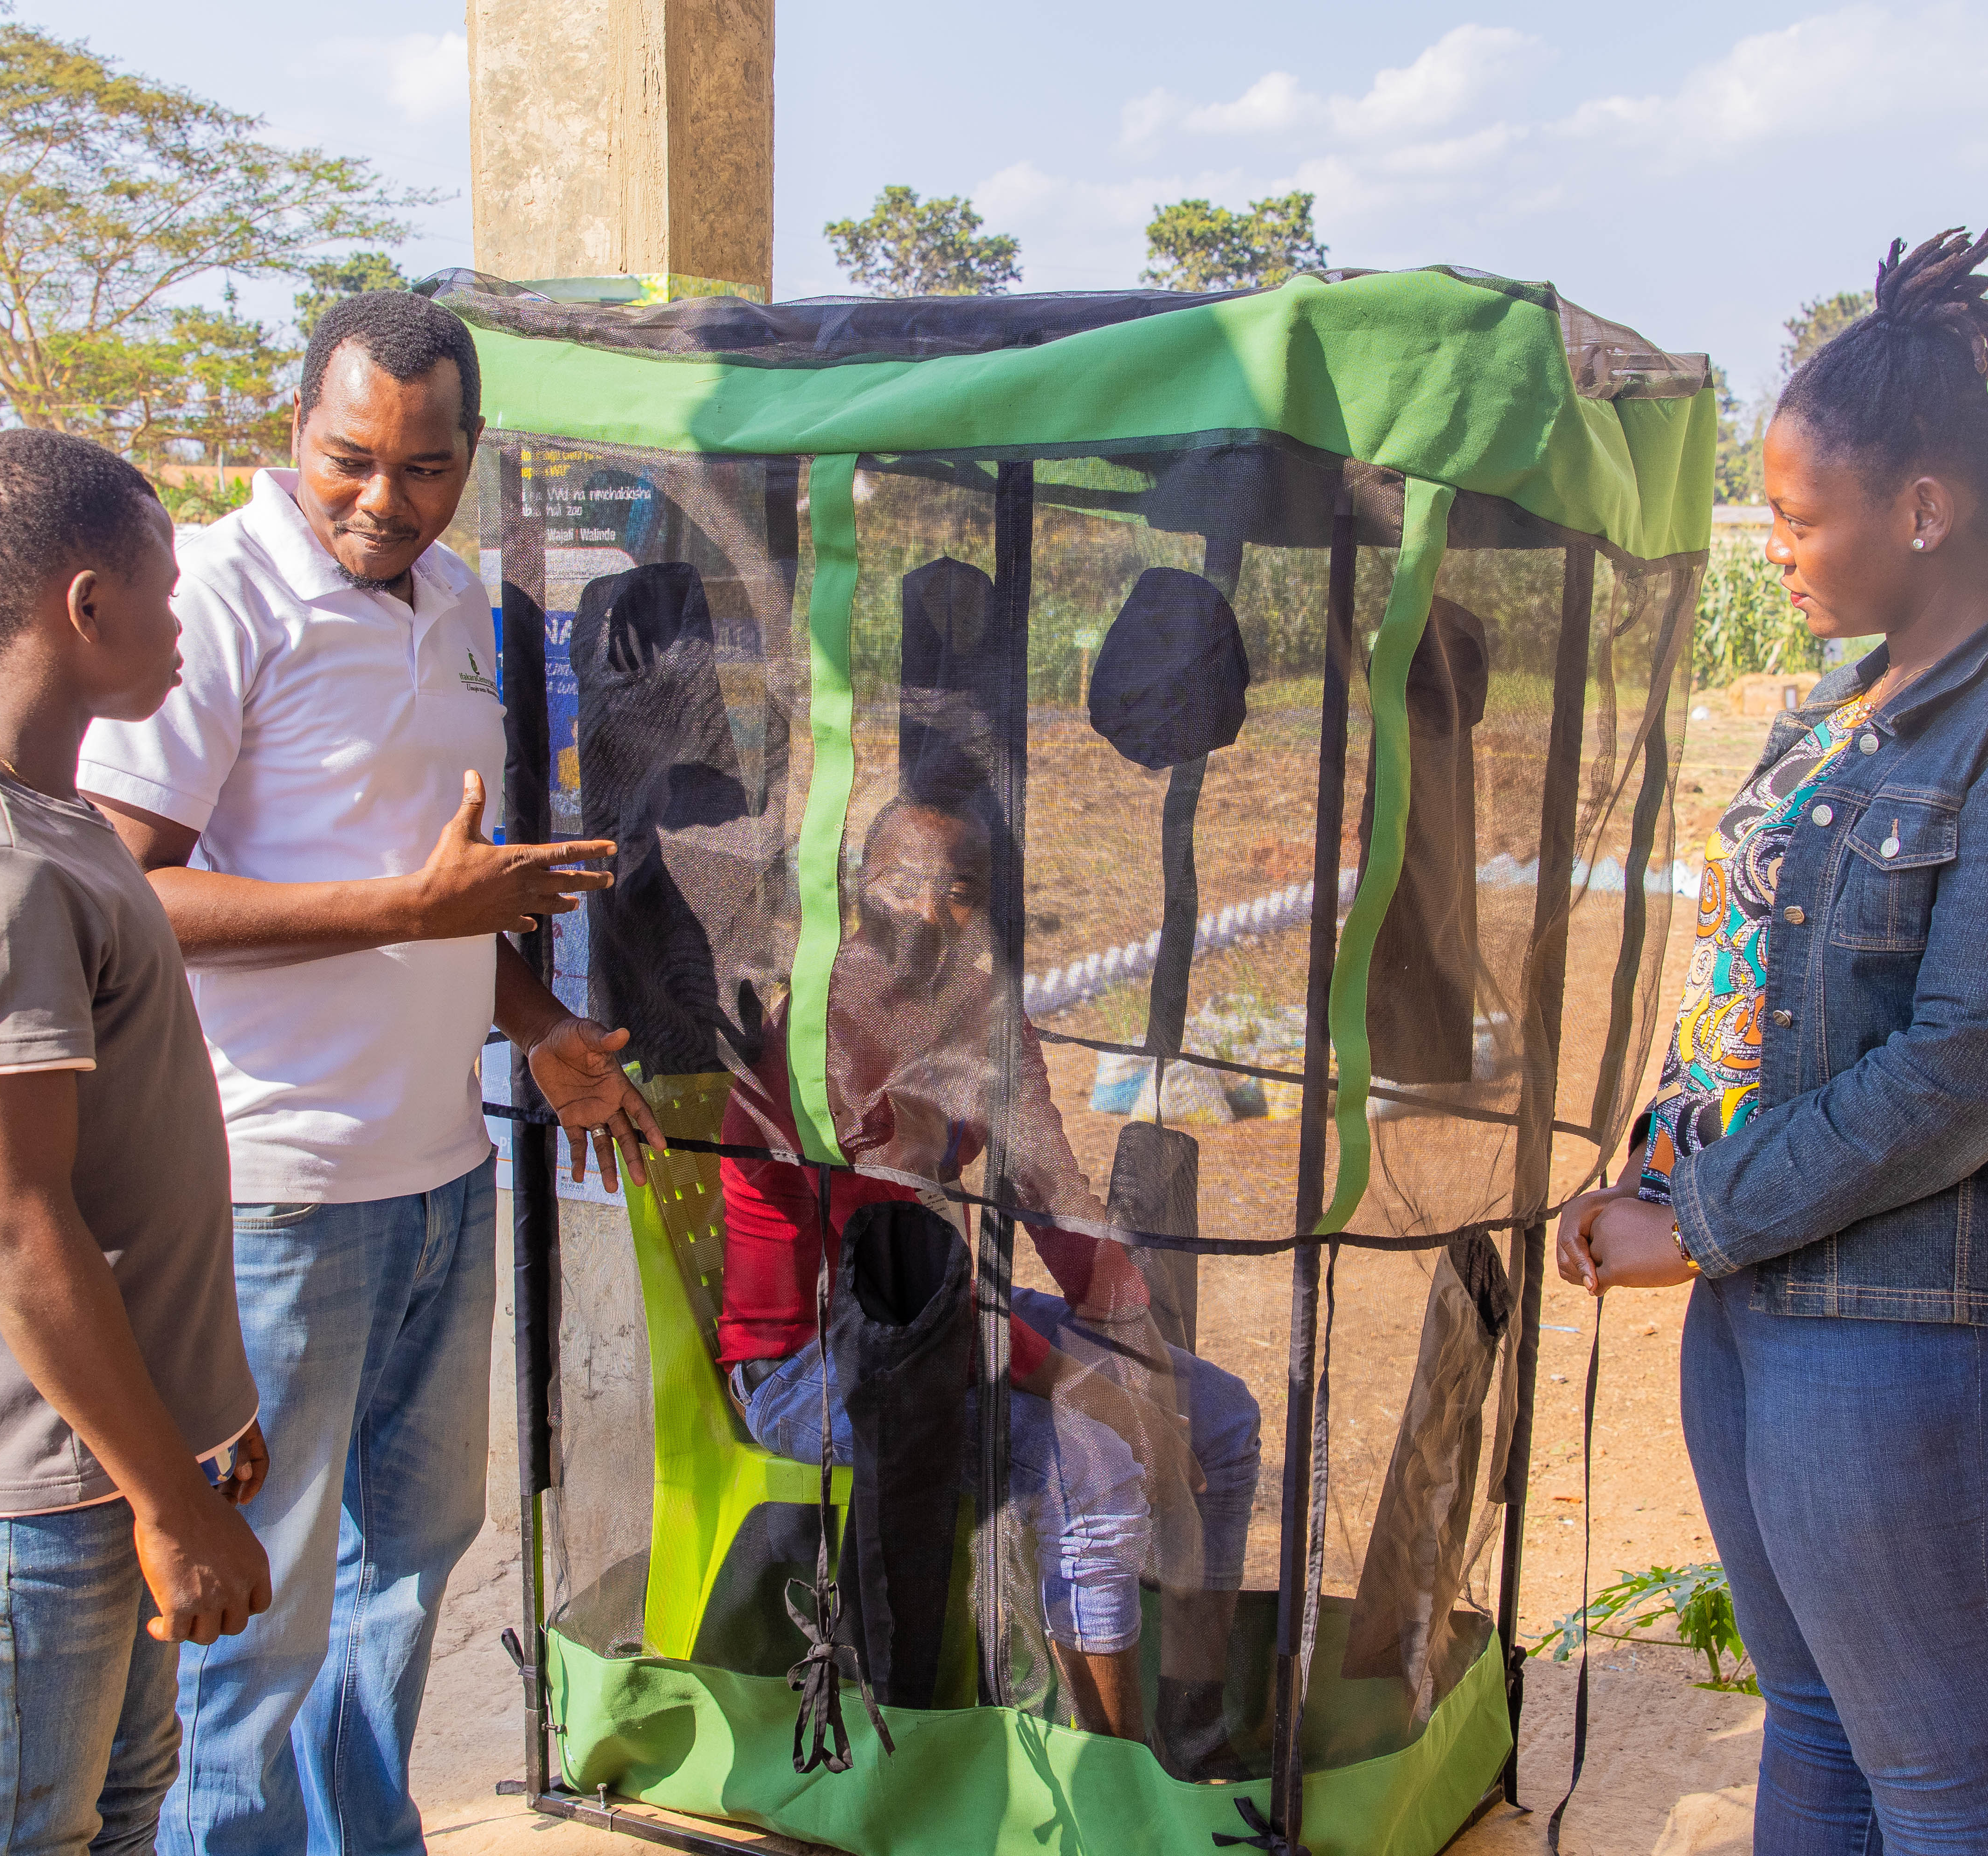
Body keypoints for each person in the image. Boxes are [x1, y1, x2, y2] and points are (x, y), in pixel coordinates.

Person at [1556, 229, 1988, 1855]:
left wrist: (1699, 1221)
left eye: (1806, 517)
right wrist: (1657, 1165)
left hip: (1927, 1331)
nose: (1783, 548)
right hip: (1775, 1308)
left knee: (1949, 1791)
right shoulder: (1837, 715)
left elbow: (1974, 1067)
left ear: (1926, 510)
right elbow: (1745, 984)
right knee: (1815, 1733)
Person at [74, 291, 665, 1856]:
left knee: (412, 1559)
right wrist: (406, 911)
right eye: (352, 459)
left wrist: (541, 1030)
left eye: (424, 467)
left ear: (469, 459)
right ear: (295, 431)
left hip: (441, 1181)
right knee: (259, 1593)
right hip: (269, 1197)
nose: (382, 501)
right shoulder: (215, 596)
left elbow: (450, 891)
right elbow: (128, 896)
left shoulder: (461, 602)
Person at [0, 428, 270, 1855]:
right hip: (37, 1490)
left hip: (110, 1454)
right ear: (86, 609)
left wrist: (202, 1416)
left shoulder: (56, 829)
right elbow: (18, 1227)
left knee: (116, 1810)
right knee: (23, 1834)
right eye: (166, 591)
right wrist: (172, 1501)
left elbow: (122, 1166)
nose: (180, 626)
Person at [716, 792, 1260, 1774]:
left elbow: (1055, 1195)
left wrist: (1142, 1357)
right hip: (819, 1363)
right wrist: (1087, 1384)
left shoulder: (981, 1016)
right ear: (856, 893)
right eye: (903, 884)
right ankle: (1114, 1775)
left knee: (1222, 1414)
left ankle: (1195, 1717)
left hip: (953, 1314)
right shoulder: (823, 1042)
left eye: (958, 893)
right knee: (1089, 1456)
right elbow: (904, 1305)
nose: (929, 911)